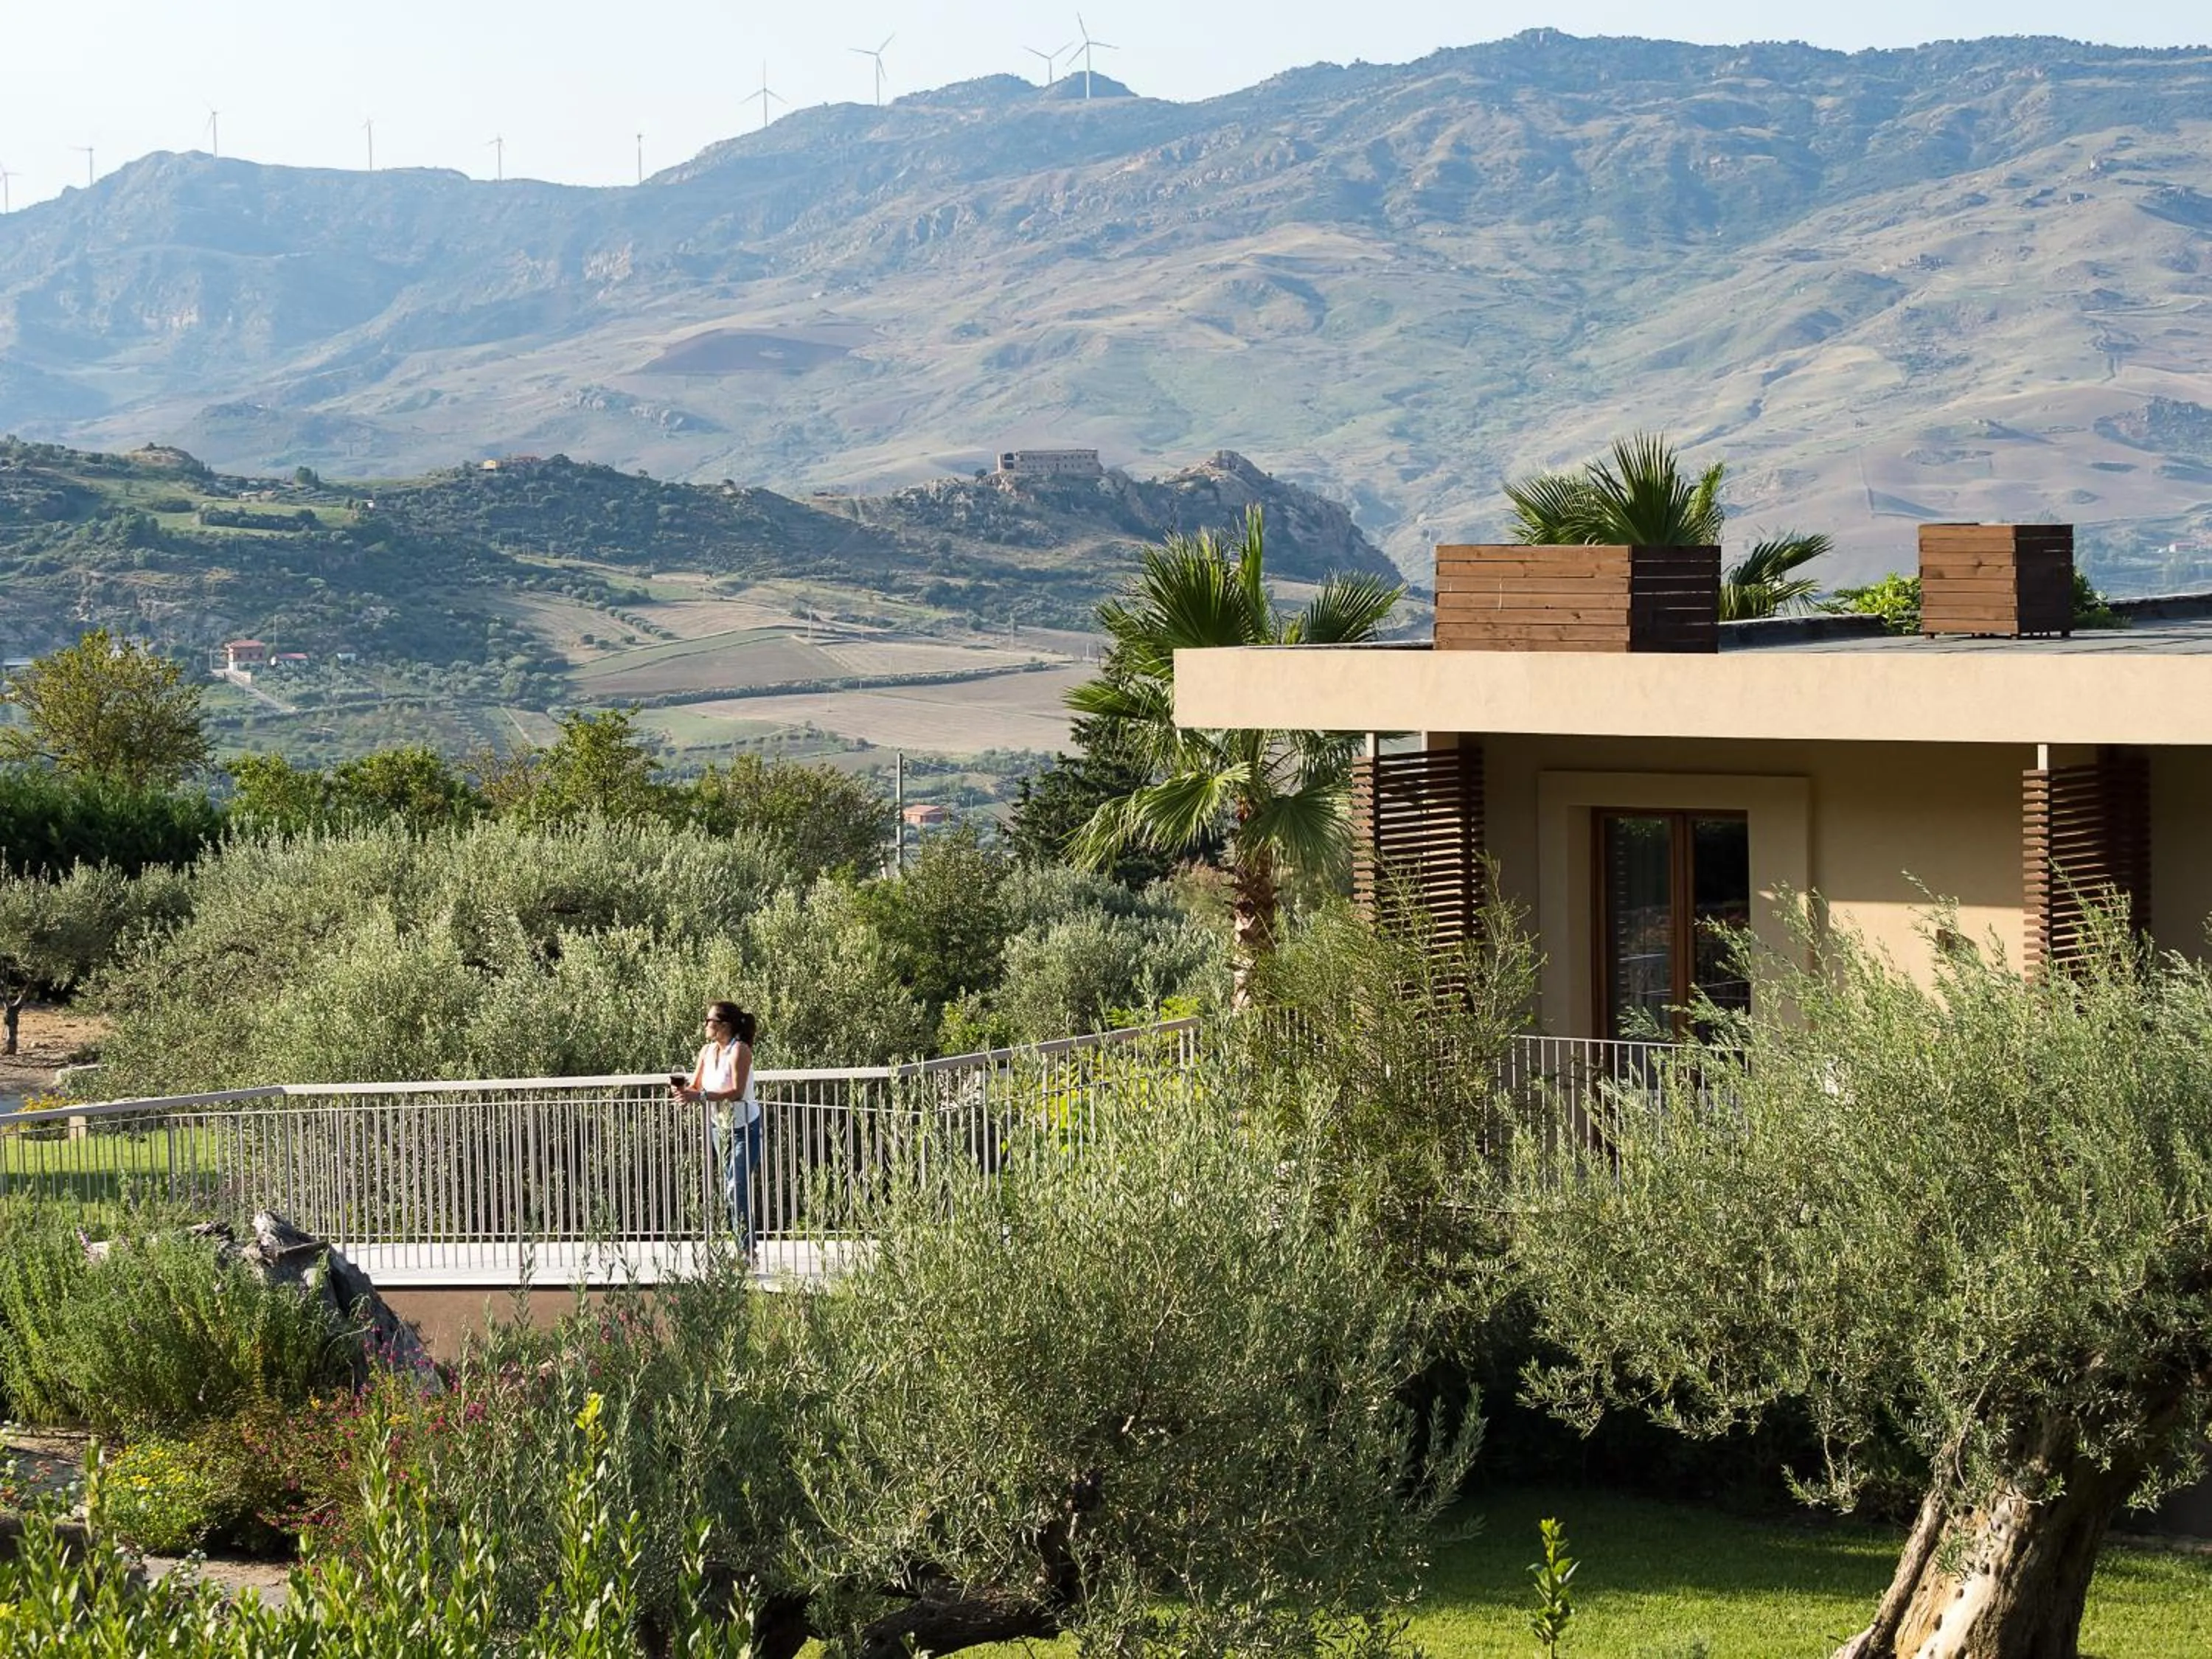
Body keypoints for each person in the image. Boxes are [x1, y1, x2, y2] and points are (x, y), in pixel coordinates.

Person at [674, 1002, 760, 1260]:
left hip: (745, 1128)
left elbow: (736, 1092)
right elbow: (697, 1085)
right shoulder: (707, 1051)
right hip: (719, 1129)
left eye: (709, 1020)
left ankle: (747, 1251)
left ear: (724, 1025)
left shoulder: (740, 1051)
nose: (705, 1025)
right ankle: (742, 1245)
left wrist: (698, 1097)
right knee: (730, 1189)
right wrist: (682, 1091)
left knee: (737, 1187)